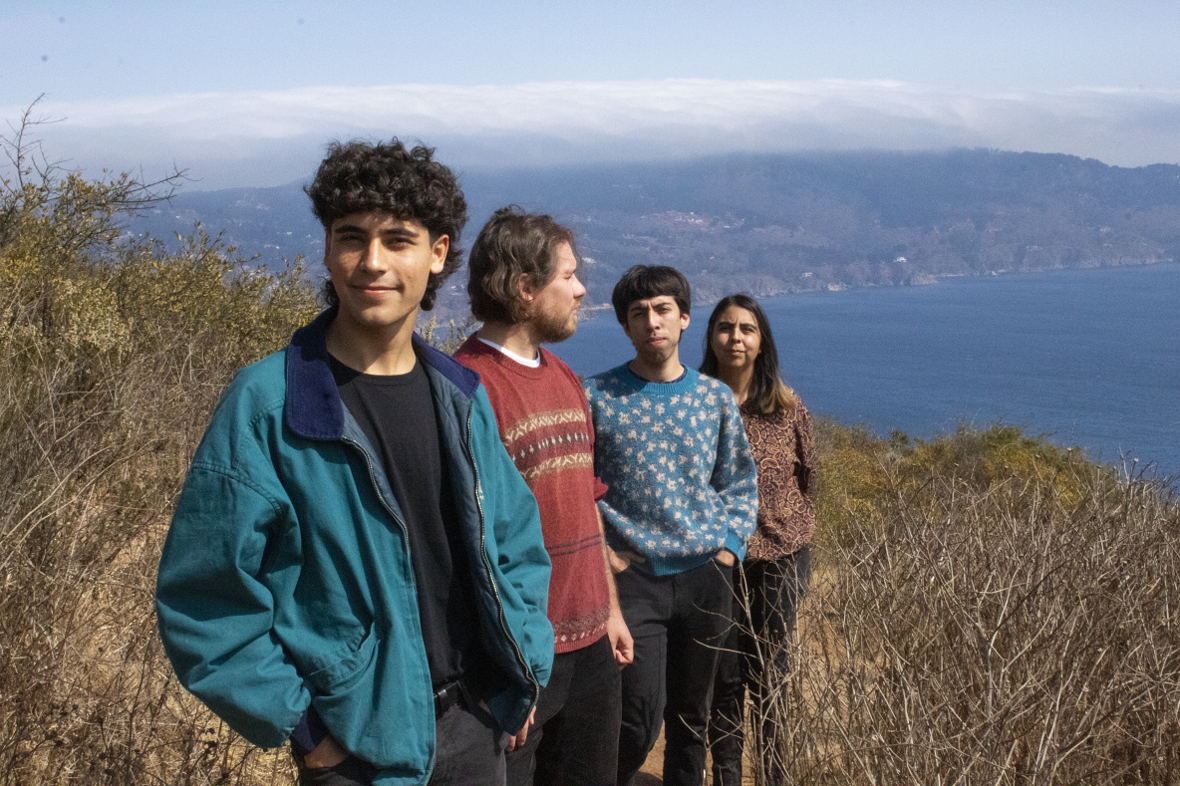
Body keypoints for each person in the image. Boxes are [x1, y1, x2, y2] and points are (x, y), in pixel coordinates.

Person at [155, 140, 554, 786]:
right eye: (351, 238)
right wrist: (309, 732)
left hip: (476, 726)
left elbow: (517, 544)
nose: (372, 262)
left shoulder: (458, 396)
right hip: (357, 749)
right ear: (327, 250)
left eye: (398, 240)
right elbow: (203, 594)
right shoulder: (271, 403)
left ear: (438, 253)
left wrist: (523, 668)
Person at [454, 206, 634, 786]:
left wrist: (610, 610)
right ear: (526, 288)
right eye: (569, 276)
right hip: (526, 659)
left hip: (591, 647)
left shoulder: (563, 376)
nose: (583, 289)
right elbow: (471, 545)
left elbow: (584, 503)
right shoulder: (469, 388)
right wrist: (507, 669)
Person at [582, 265, 758, 786]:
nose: (652, 322)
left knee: (693, 717)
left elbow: (739, 481)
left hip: (707, 576)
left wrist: (729, 546)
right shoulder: (597, 397)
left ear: (683, 319)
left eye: (662, 311)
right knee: (637, 715)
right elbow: (577, 485)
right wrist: (604, 553)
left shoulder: (714, 399)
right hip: (634, 580)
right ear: (626, 325)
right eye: (639, 314)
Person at [701, 294, 818, 786]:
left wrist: (788, 529)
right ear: (710, 337)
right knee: (723, 677)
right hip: (717, 560)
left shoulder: (788, 409)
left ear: (761, 340)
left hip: (780, 557)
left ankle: (776, 777)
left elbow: (808, 479)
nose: (735, 337)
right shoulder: (697, 403)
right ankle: (728, 776)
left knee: (771, 676)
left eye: (746, 329)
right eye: (725, 327)